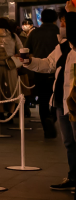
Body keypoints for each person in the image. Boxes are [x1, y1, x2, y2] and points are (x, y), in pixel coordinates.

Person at [22, 8, 76, 193]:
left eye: (65, 22)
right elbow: (49, 64)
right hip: (61, 100)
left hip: (74, 102)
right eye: (61, 21)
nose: (62, 26)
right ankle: (73, 176)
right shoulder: (62, 46)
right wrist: (30, 61)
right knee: (68, 142)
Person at [28, 9, 62, 138]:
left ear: (41, 19)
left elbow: (27, 49)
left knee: (42, 99)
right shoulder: (59, 32)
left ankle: (46, 127)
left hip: (39, 69)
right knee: (56, 96)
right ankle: (53, 117)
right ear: (56, 20)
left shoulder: (34, 33)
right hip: (56, 70)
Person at [0, 18, 23, 117]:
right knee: (12, 89)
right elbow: (21, 50)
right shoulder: (13, 36)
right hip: (11, 66)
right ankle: (11, 113)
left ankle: (0, 112)